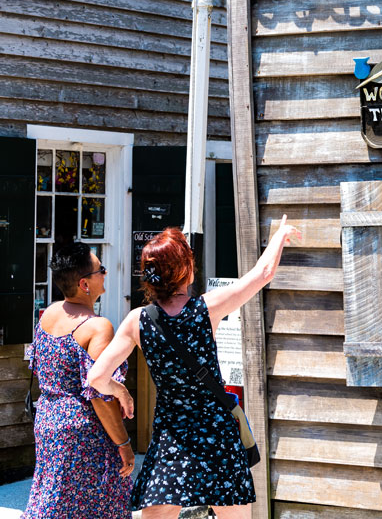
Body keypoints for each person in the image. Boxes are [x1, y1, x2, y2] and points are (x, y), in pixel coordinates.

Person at [88, 217, 299, 519]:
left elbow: (96, 378)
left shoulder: (138, 320)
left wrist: (120, 390)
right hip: (216, 432)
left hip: (171, 436)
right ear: (184, 269)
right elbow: (263, 273)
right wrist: (279, 235)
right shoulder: (205, 309)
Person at [23, 243, 134, 519]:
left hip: (48, 421)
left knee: (53, 502)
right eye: (101, 270)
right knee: (98, 506)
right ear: (85, 284)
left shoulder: (49, 314)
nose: (105, 274)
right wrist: (124, 444)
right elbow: (99, 393)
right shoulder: (98, 327)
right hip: (83, 433)